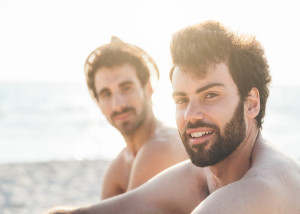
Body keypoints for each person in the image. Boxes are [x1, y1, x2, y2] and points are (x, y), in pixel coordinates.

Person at [46, 20, 300, 214]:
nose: (190, 115)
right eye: (181, 100)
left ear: (251, 103)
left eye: (210, 95)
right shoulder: (204, 174)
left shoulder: (263, 187)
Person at [83, 37, 188, 200]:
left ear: (148, 88)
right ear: (98, 104)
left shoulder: (162, 146)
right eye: (106, 94)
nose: (118, 105)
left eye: (126, 88)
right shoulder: (117, 167)